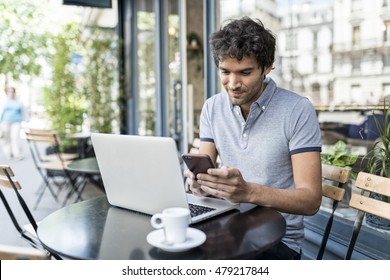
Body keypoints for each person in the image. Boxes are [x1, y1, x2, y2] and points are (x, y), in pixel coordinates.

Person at [183, 17, 322, 260]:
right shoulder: (212, 107)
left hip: (279, 239)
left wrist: (248, 192)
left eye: (245, 72)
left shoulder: (297, 109)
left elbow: (311, 201)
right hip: (226, 226)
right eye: (225, 72)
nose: (233, 84)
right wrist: (199, 185)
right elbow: (203, 170)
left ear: (267, 67)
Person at [0, 87, 24, 160]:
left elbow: (23, 112)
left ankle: (17, 154)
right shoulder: (4, 101)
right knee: (6, 138)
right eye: (9, 92)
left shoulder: (18, 101)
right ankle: (8, 153)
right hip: (5, 122)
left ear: (14, 93)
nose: (11, 93)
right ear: (7, 93)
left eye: (12, 92)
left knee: (15, 137)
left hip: (16, 122)